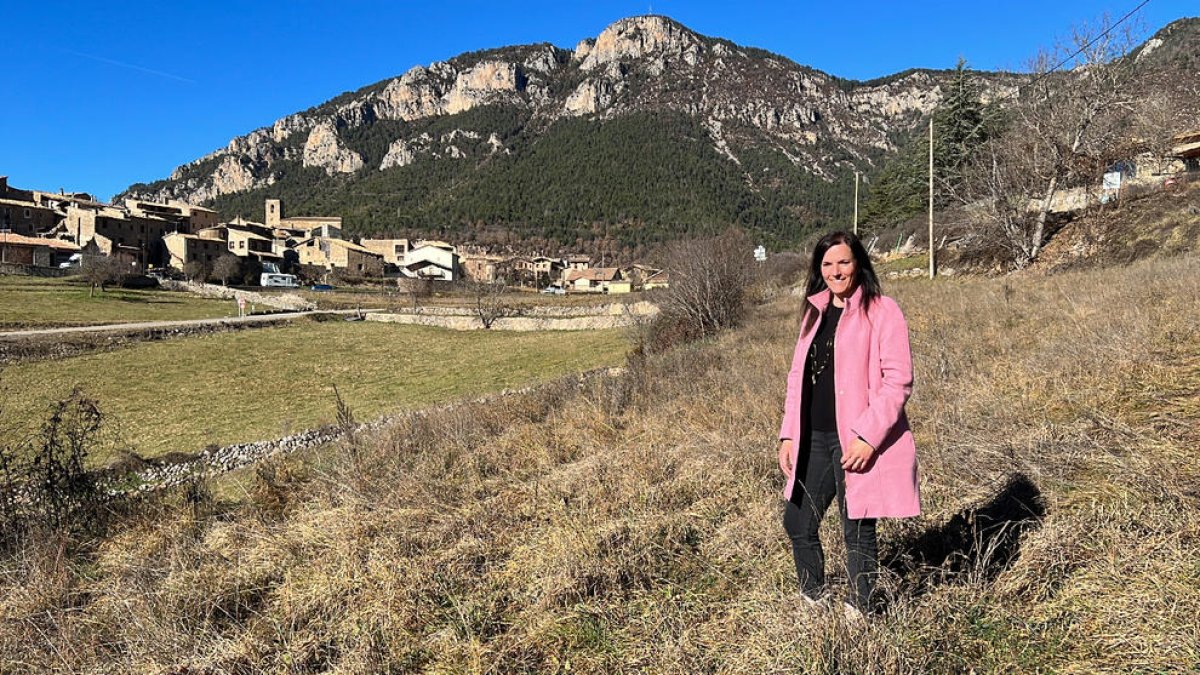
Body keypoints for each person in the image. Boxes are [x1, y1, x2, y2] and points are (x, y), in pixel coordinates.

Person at [777, 230, 920, 617]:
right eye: (827, 264)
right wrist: (789, 434)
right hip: (814, 437)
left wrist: (868, 437)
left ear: (858, 263)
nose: (835, 271)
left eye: (843, 261)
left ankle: (860, 611)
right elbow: (797, 378)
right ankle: (814, 598)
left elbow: (898, 381)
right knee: (797, 520)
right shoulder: (814, 311)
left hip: (855, 439)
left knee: (856, 527)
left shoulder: (882, 310)